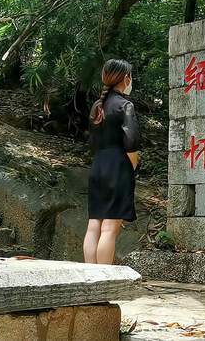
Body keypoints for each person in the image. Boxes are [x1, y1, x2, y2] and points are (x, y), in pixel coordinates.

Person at [84, 59, 141, 264]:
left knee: (94, 224)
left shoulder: (96, 106)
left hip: (97, 165)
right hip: (118, 166)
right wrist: (132, 167)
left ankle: (89, 277)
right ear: (126, 78)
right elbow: (131, 143)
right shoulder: (125, 105)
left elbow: (91, 141)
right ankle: (103, 279)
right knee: (110, 227)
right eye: (130, 77)